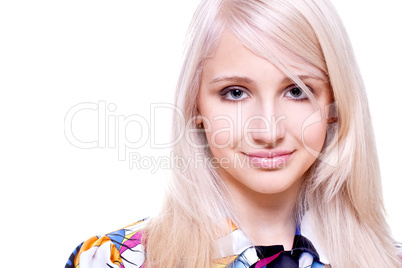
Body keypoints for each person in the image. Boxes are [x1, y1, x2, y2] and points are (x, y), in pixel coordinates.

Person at [65, 0, 402, 267]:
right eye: (236, 93)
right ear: (195, 105)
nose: (268, 129)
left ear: (334, 105)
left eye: (297, 91)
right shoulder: (112, 261)